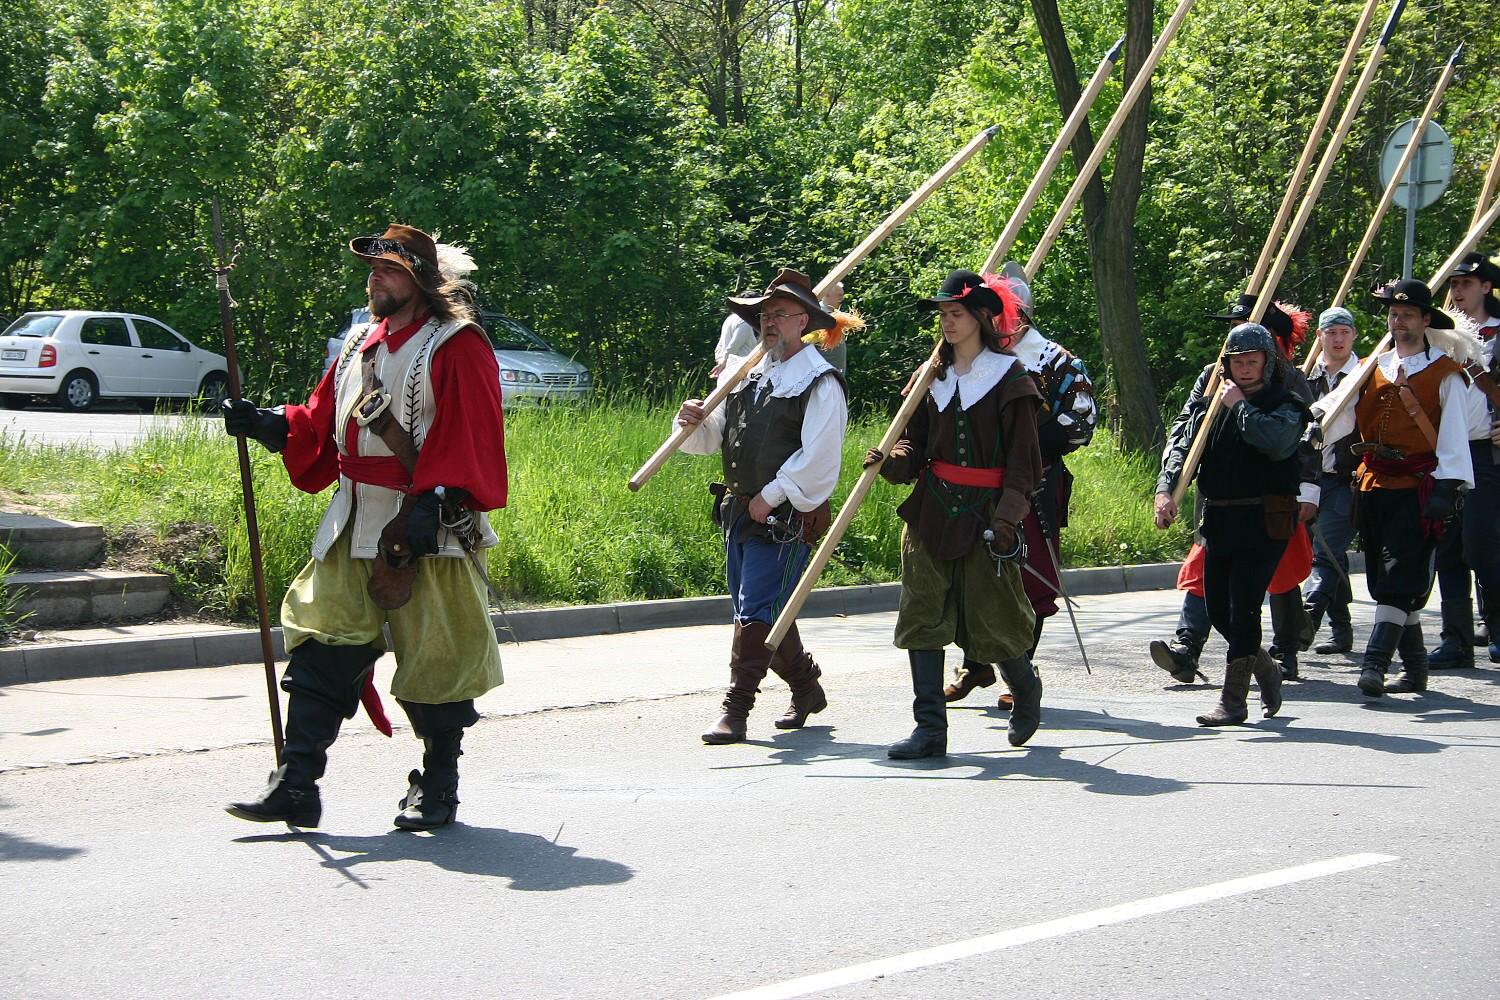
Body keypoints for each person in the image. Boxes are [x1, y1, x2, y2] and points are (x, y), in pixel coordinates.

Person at [222, 224, 508, 830]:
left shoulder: (457, 344)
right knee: (322, 644)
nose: (376, 277)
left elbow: (474, 433)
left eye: (390, 269)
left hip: (430, 528)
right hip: (352, 520)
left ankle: (438, 787)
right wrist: (271, 424)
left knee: (437, 661)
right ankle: (296, 784)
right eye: (374, 268)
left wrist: (435, 499)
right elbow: (320, 420)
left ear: (423, 282)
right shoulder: (358, 344)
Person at [868, 269, 1043, 758]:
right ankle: (930, 730)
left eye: (956, 313)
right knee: (921, 614)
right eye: (943, 314)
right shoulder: (930, 378)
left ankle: (1024, 687)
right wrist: (891, 460)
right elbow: (914, 446)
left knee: (992, 616)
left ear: (982, 317)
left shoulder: (1011, 380)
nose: (947, 322)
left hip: (986, 514)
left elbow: (1024, 463)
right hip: (931, 510)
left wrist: (1006, 519)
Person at [677, 268, 848, 744]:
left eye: (779, 314)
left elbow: (820, 458)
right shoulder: (746, 374)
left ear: (803, 321)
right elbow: (712, 438)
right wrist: (693, 420)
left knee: (755, 610)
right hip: (739, 512)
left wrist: (770, 496)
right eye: (764, 315)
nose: (769, 323)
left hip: (785, 517)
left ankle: (736, 710)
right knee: (762, 609)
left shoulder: (820, 382)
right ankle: (806, 687)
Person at [1313, 277, 1484, 698]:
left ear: (1426, 321)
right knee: (1382, 579)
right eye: (1394, 314)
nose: (1399, 321)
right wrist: (1314, 427)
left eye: (1407, 315)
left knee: (1398, 577)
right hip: (1372, 484)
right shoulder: (1374, 366)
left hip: (1419, 486)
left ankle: (1374, 664)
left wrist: (1448, 486)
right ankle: (1416, 668)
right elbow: (1342, 414)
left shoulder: (1445, 373)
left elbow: (1455, 435)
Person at [942, 262, 1097, 708]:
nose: (994, 324)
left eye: (1001, 315)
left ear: (1022, 315)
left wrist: (1022, 446)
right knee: (970, 574)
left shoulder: (1055, 360)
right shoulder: (969, 356)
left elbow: (1080, 423)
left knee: (1028, 579)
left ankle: (1021, 671)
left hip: (1033, 483)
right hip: (975, 484)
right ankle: (975, 665)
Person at [1151, 296, 1318, 682]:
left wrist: (1310, 489)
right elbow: (1186, 433)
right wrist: (1167, 486)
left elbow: (1303, 438)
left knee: (1274, 578)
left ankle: (1285, 647)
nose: (1241, 356)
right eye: (1234, 337)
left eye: (1250, 348)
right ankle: (1188, 648)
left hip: (1271, 503)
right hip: (1222, 503)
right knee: (1212, 583)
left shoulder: (1286, 380)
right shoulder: (1212, 376)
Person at [1428, 252, 1500, 666]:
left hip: (1487, 452)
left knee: (1481, 542)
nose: (1457, 290)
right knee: (1447, 545)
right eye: (1453, 283)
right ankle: (1455, 640)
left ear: (1486, 287)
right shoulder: (1436, 335)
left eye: (1466, 283)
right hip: (1445, 450)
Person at [1301, 307, 1362, 656]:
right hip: (1311, 479)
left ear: (1353, 335)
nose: (1338, 339)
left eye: (1344, 332)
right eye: (1331, 332)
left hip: (1348, 479)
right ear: (1320, 336)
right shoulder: (1306, 378)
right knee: (1328, 553)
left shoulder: (1367, 376)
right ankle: (1342, 629)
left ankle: (1307, 620)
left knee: (1325, 552)